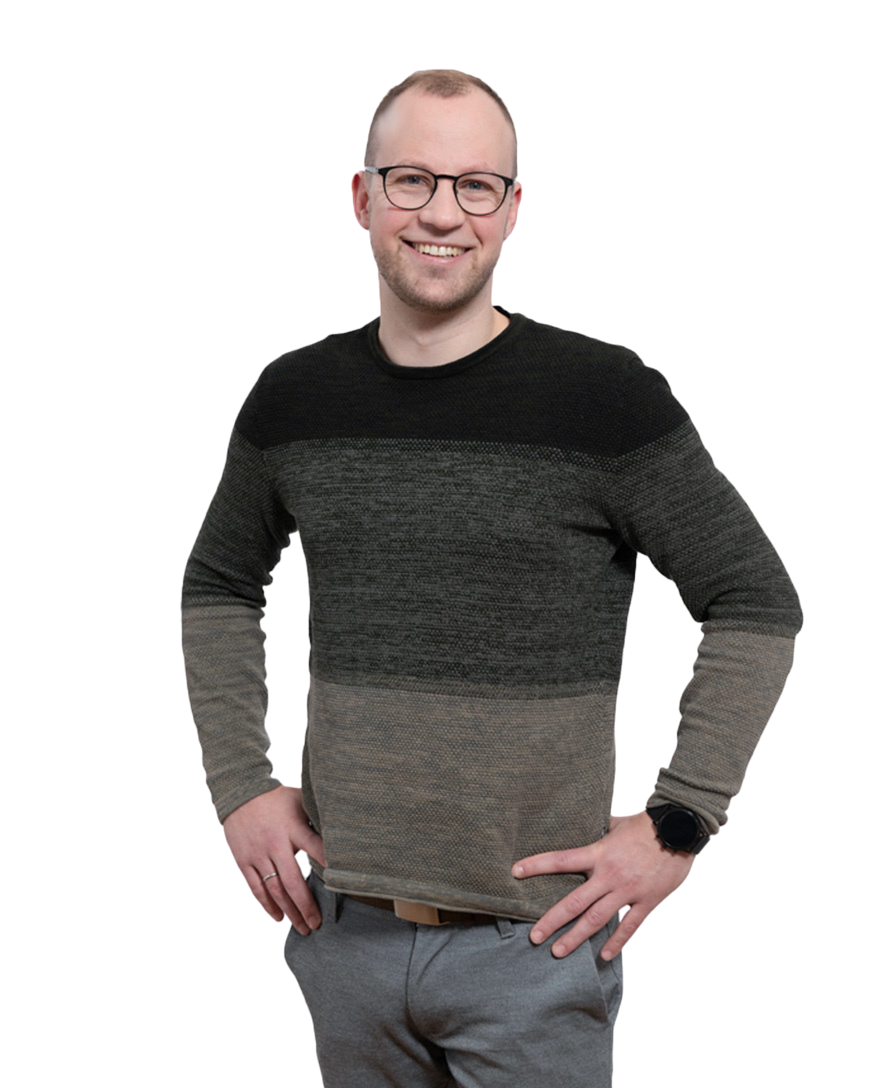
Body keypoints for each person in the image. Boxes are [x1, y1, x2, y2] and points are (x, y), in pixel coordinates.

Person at [180, 69, 803, 1087]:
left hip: (537, 945)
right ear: (362, 197)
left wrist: (680, 822)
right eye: (413, 178)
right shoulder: (291, 396)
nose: (442, 213)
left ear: (513, 210)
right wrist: (240, 785)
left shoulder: (605, 395)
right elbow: (217, 583)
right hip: (343, 935)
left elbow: (755, 599)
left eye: (476, 185)